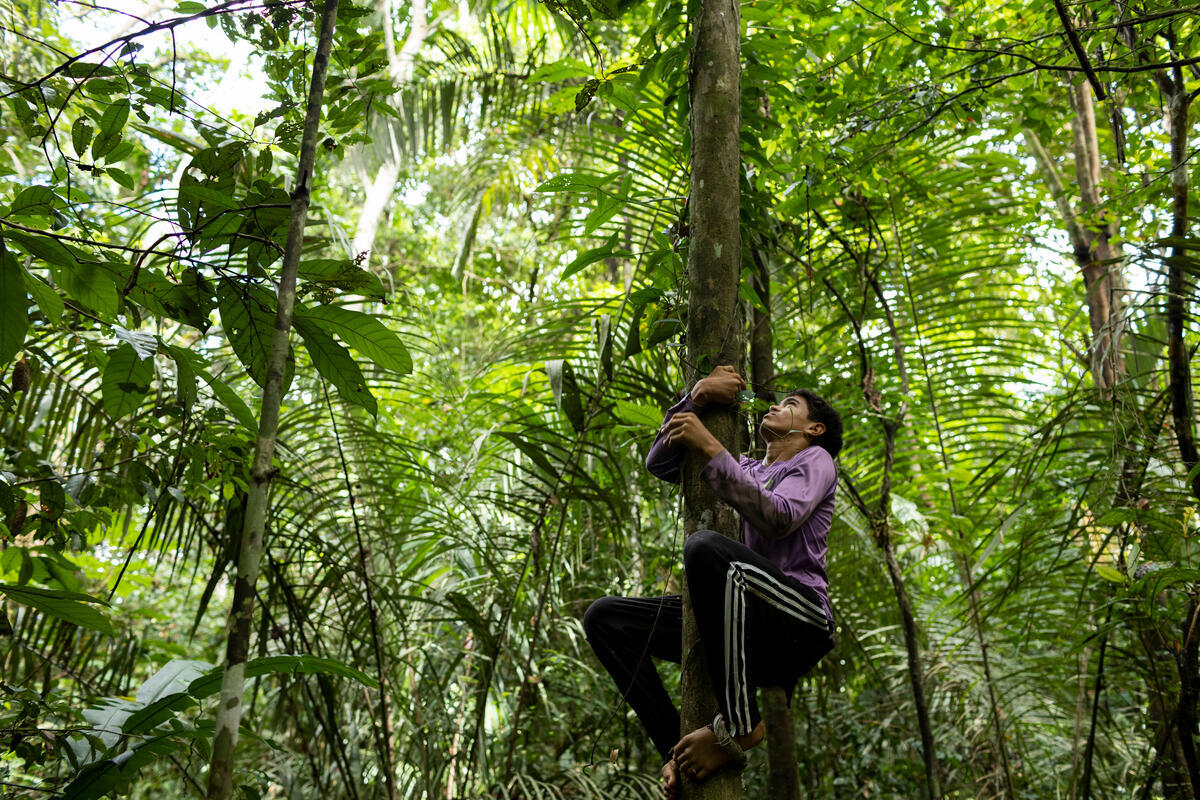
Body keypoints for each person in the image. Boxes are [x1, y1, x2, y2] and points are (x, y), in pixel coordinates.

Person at [583, 365, 841, 799]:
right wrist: (699, 395)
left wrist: (709, 444)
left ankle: (740, 725)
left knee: (707, 549)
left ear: (814, 428)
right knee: (604, 618)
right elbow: (660, 462)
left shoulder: (816, 460)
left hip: (800, 619)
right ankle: (676, 752)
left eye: (790, 405)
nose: (775, 407)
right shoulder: (746, 468)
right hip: (745, 617)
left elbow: (780, 516)